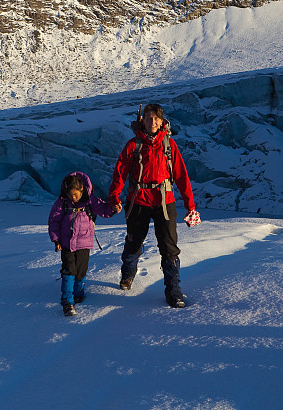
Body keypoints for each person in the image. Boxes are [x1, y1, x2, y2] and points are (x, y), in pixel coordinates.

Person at [108, 103, 201, 308]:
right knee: (134, 242)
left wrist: (190, 205)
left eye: (156, 118)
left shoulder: (169, 145)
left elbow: (181, 176)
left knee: (169, 248)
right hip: (138, 200)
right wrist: (114, 197)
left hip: (164, 202)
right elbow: (120, 173)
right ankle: (128, 274)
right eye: (149, 118)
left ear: (162, 121)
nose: (152, 122)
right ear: (143, 121)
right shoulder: (133, 145)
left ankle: (173, 290)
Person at [47, 171, 118, 316]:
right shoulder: (62, 203)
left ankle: (78, 294)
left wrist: (113, 208)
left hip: (84, 243)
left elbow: (103, 209)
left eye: (75, 195)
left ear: (81, 190)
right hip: (66, 244)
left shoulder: (90, 200)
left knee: (81, 271)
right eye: (70, 195)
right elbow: (54, 221)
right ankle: (67, 300)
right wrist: (56, 239)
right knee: (68, 270)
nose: (73, 198)